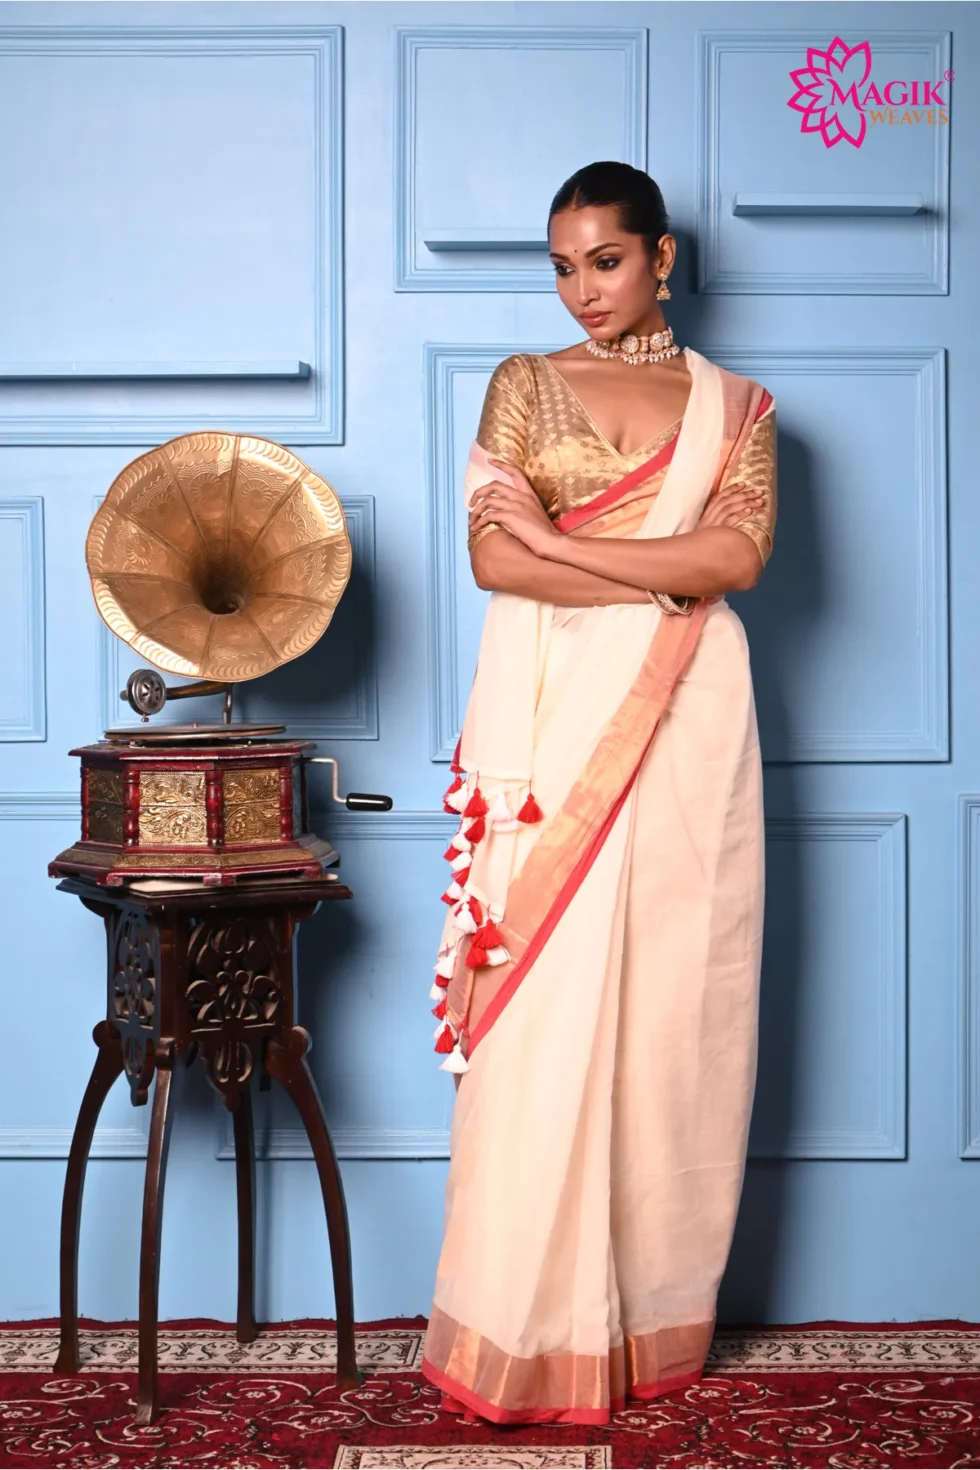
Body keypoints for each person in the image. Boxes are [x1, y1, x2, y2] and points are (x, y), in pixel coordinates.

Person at [420, 160, 776, 1426]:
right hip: (554, 713)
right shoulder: (523, 383)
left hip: (690, 717)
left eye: (607, 262)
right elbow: (493, 563)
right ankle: (525, 1324)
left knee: (676, 1010)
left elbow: (738, 555)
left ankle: (640, 1320)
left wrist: (563, 542)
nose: (582, 290)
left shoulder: (736, 407)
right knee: (541, 1008)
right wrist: (655, 573)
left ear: (661, 257)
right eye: (564, 267)